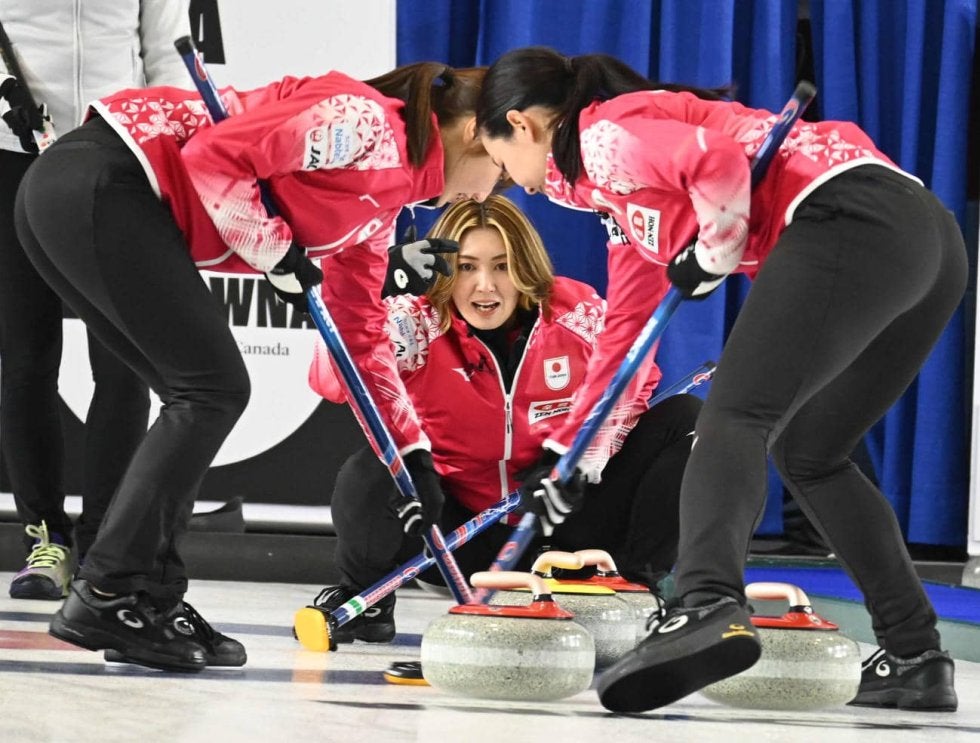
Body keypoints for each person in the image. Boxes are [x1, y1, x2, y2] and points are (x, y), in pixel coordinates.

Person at [476, 46, 964, 712]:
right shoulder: (620, 199)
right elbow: (624, 337)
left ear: (524, 125)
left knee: (733, 416)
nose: (522, 186)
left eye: (505, 166)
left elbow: (719, 164)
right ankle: (915, 652)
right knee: (809, 453)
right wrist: (572, 458)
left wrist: (714, 250)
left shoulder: (603, 134)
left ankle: (705, 603)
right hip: (926, 240)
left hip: (850, 218)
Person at [13, 59, 504, 672]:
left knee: (194, 394)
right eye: (499, 172)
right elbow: (214, 157)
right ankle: (110, 589)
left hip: (80, 194)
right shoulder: (368, 122)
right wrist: (273, 250)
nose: (485, 194)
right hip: (102, 178)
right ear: (473, 135)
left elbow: (363, 341)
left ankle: (149, 598)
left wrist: (412, 455)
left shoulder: (382, 210)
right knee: (211, 389)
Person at [305, 194, 701, 643]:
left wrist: (578, 460)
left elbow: (637, 383)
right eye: (468, 267)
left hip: (565, 519)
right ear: (442, 272)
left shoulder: (575, 311)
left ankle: (637, 587)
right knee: (372, 467)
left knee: (686, 420)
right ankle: (366, 597)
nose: (485, 286)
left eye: (501, 265)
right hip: (460, 534)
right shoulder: (412, 321)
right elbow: (329, 381)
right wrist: (372, 292)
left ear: (526, 267)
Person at [0, 2, 190, 601]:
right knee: (26, 356)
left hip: (117, 155)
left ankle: (104, 543)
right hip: (10, 150)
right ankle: (44, 540)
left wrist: (167, 146)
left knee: (124, 361)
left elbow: (168, 50)